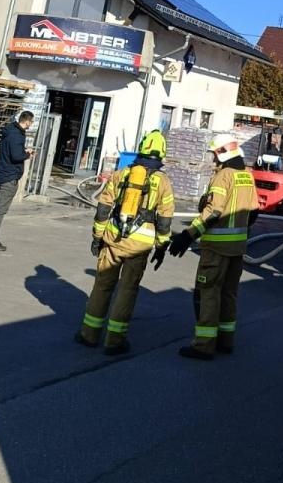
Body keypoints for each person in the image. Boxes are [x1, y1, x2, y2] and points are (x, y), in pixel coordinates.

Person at [75, 130, 174, 355]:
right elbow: (165, 219)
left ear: (142, 148)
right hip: (140, 246)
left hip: (113, 239)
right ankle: (115, 341)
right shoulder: (163, 182)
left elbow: (103, 209)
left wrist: (97, 237)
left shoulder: (121, 174)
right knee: (127, 290)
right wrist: (161, 246)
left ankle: (89, 334)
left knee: (102, 285)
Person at [169, 133, 259, 360]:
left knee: (208, 293)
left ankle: (204, 345)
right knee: (229, 294)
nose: (214, 160)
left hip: (216, 249)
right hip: (237, 249)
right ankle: (225, 341)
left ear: (222, 153)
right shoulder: (246, 176)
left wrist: (187, 236)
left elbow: (212, 212)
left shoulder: (223, 177)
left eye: (215, 155)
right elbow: (254, 212)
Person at [0, 110, 34, 252]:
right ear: (27, 121)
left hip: (2, 173)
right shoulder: (17, 135)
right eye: (31, 122)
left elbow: (11, 151)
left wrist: (23, 151)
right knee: (0, 210)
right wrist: (27, 154)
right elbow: (16, 156)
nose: (31, 124)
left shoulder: (9, 131)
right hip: (9, 176)